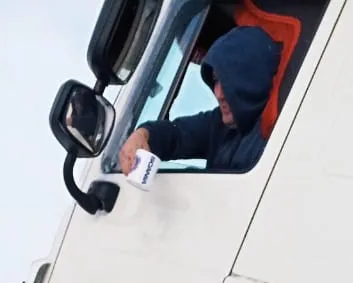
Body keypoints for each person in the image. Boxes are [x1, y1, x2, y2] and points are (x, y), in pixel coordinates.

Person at [119, 24, 281, 174]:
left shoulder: (275, 134)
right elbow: (177, 134)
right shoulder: (219, 124)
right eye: (216, 80)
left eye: (229, 81)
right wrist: (143, 135)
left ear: (252, 79)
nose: (219, 94)